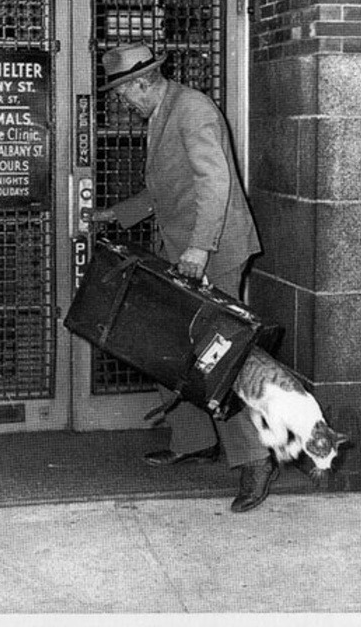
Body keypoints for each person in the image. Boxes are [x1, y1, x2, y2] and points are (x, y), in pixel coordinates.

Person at [91, 42, 277, 513]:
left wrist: (199, 246)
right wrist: (118, 214)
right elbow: (164, 188)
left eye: (123, 93)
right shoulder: (163, 112)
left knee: (219, 358)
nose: (122, 102)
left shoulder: (192, 110)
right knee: (170, 346)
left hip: (213, 251)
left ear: (140, 84)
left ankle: (256, 461)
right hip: (184, 250)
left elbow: (215, 183)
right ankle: (194, 440)